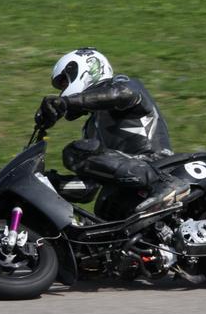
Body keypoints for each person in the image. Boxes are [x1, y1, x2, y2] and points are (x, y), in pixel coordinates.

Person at [36, 47, 190, 212]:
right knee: (101, 209)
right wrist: (49, 183)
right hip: (125, 188)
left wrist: (67, 102)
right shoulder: (90, 128)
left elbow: (122, 94)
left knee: (75, 152)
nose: (63, 90)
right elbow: (88, 188)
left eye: (65, 82)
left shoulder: (121, 85)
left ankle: (164, 183)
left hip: (157, 165)